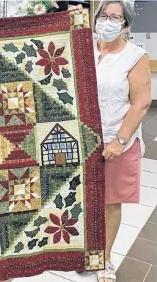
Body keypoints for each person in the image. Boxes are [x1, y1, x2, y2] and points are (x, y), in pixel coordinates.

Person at [93, 1, 151, 281]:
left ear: (125, 24)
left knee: (109, 202)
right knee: (83, 200)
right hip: (82, 140)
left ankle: (104, 259)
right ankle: (85, 253)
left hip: (116, 140)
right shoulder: (81, 49)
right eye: (103, 16)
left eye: (115, 17)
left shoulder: (134, 56)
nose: (107, 21)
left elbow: (141, 103)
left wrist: (119, 140)